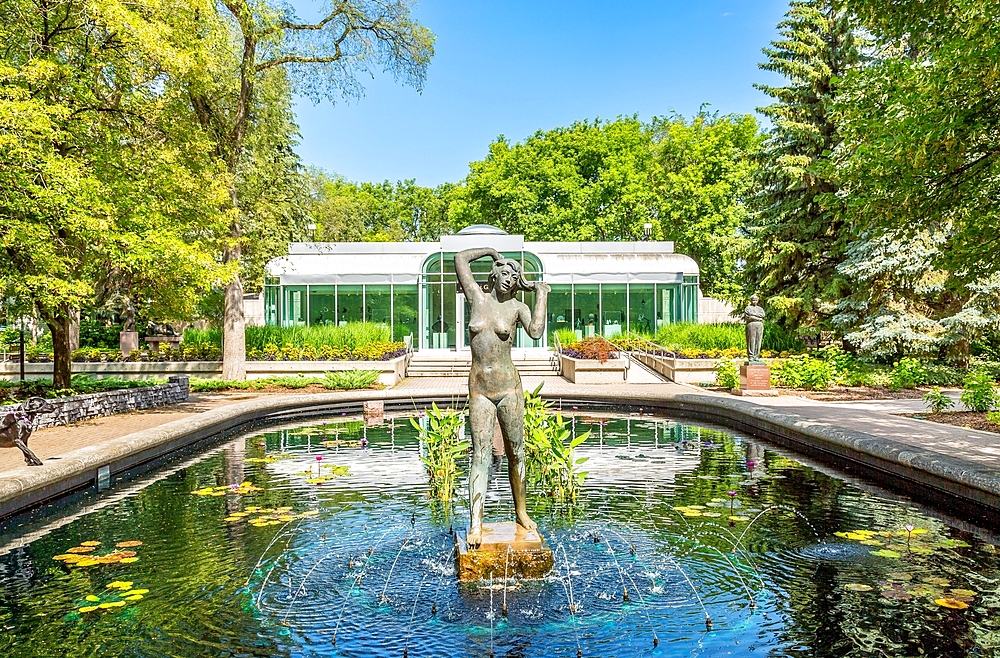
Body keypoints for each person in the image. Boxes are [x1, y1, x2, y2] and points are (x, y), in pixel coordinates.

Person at [454, 247, 550, 547]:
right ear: (493, 275)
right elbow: (459, 258)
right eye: (505, 273)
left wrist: (541, 294)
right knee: (480, 455)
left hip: (510, 388)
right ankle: (476, 523)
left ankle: (521, 512)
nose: (509, 279)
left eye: (514, 275)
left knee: (516, 452)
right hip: (480, 390)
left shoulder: (518, 308)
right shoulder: (476, 298)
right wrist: (492, 252)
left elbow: (536, 332)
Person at [744, 294, 766, 363]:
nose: (754, 301)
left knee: (758, 341)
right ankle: (751, 356)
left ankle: (756, 356)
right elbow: (749, 317)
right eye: (753, 300)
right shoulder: (748, 308)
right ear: (751, 300)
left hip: (759, 326)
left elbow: (763, 315)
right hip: (751, 325)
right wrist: (759, 318)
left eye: (756, 300)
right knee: (751, 341)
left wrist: (753, 315)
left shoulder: (760, 309)